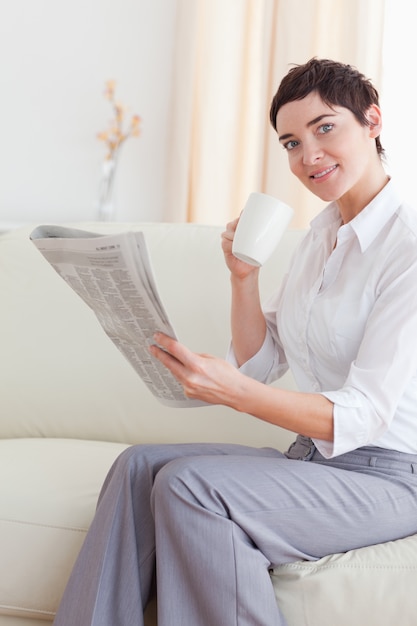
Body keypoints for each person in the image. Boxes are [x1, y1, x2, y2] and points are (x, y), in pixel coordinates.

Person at [53, 58, 417, 626]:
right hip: (316, 462)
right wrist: (242, 277)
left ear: (372, 121)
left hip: (392, 477)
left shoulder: (408, 247)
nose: (309, 156)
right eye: (291, 143)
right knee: (137, 467)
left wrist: (231, 393)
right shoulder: (321, 235)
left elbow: (362, 415)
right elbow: (263, 360)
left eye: (326, 128)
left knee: (191, 486)